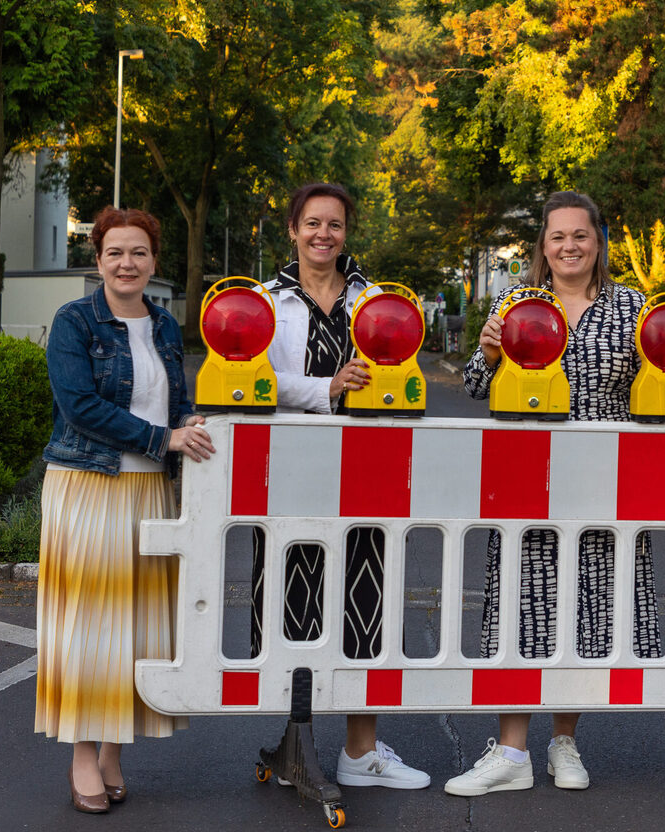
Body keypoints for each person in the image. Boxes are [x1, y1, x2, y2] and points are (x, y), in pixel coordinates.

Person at [446, 191, 661, 796]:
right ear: (543, 245)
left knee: (590, 611)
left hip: (604, 482)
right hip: (527, 482)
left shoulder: (634, 309)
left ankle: (564, 740)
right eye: (558, 236)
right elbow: (475, 388)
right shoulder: (516, 304)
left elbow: (661, 387)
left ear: (599, 243)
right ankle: (511, 749)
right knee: (523, 604)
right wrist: (488, 353)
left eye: (580, 235)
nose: (569, 246)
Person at [35, 206, 216, 813]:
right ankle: (83, 754)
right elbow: (80, 406)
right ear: (98, 260)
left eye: (138, 252)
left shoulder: (165, 326)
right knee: (88, 627)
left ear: (154, 261)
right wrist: (162, 438)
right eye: (115, 252)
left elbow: (177, 399)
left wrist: (187, 422)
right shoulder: (74, 321)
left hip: (149, 491)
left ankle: (113, 749)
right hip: (88, 487)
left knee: (135, 627)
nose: (126, 263)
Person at [251, 182, 429, 789]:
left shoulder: (377, 299)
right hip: (293, 468)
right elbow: (250, 380)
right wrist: (323, 387)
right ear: (293, 230)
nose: (324, 235)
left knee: (365, 597)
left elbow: (402, 374)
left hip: (367, 469)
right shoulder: (264, 302)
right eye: (313, 224)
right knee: (290, 600)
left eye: (335, 225)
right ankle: (294, 740)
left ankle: (360, 751)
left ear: (346, 233)